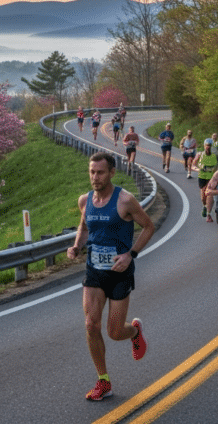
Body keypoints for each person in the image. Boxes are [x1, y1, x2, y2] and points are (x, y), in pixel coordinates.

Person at [67, 152, 156, 401]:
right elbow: (84, 227)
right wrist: (77, 246)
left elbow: (149, 226)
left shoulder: (125, 201)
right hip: (94, 271)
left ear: (112, 173)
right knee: (90, 325)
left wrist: (131, 254)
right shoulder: (85, 200)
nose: (95, 177)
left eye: (100, 172)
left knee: (114, 332)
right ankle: (103, 381)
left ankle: (135, 332)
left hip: (120, 273)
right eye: (92, 172)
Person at [193, 138, 218, 221]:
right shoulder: (200, 155)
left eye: (210, 146)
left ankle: (208, 214)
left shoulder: (215, 156)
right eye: (207, 145)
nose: (208, 147)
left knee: (210, 194)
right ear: (204, 146)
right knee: (203, 198)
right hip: (202, 177)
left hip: (211, 178)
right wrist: (199, 169)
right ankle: (205, 206)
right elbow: (193, 165)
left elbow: (217, 167)